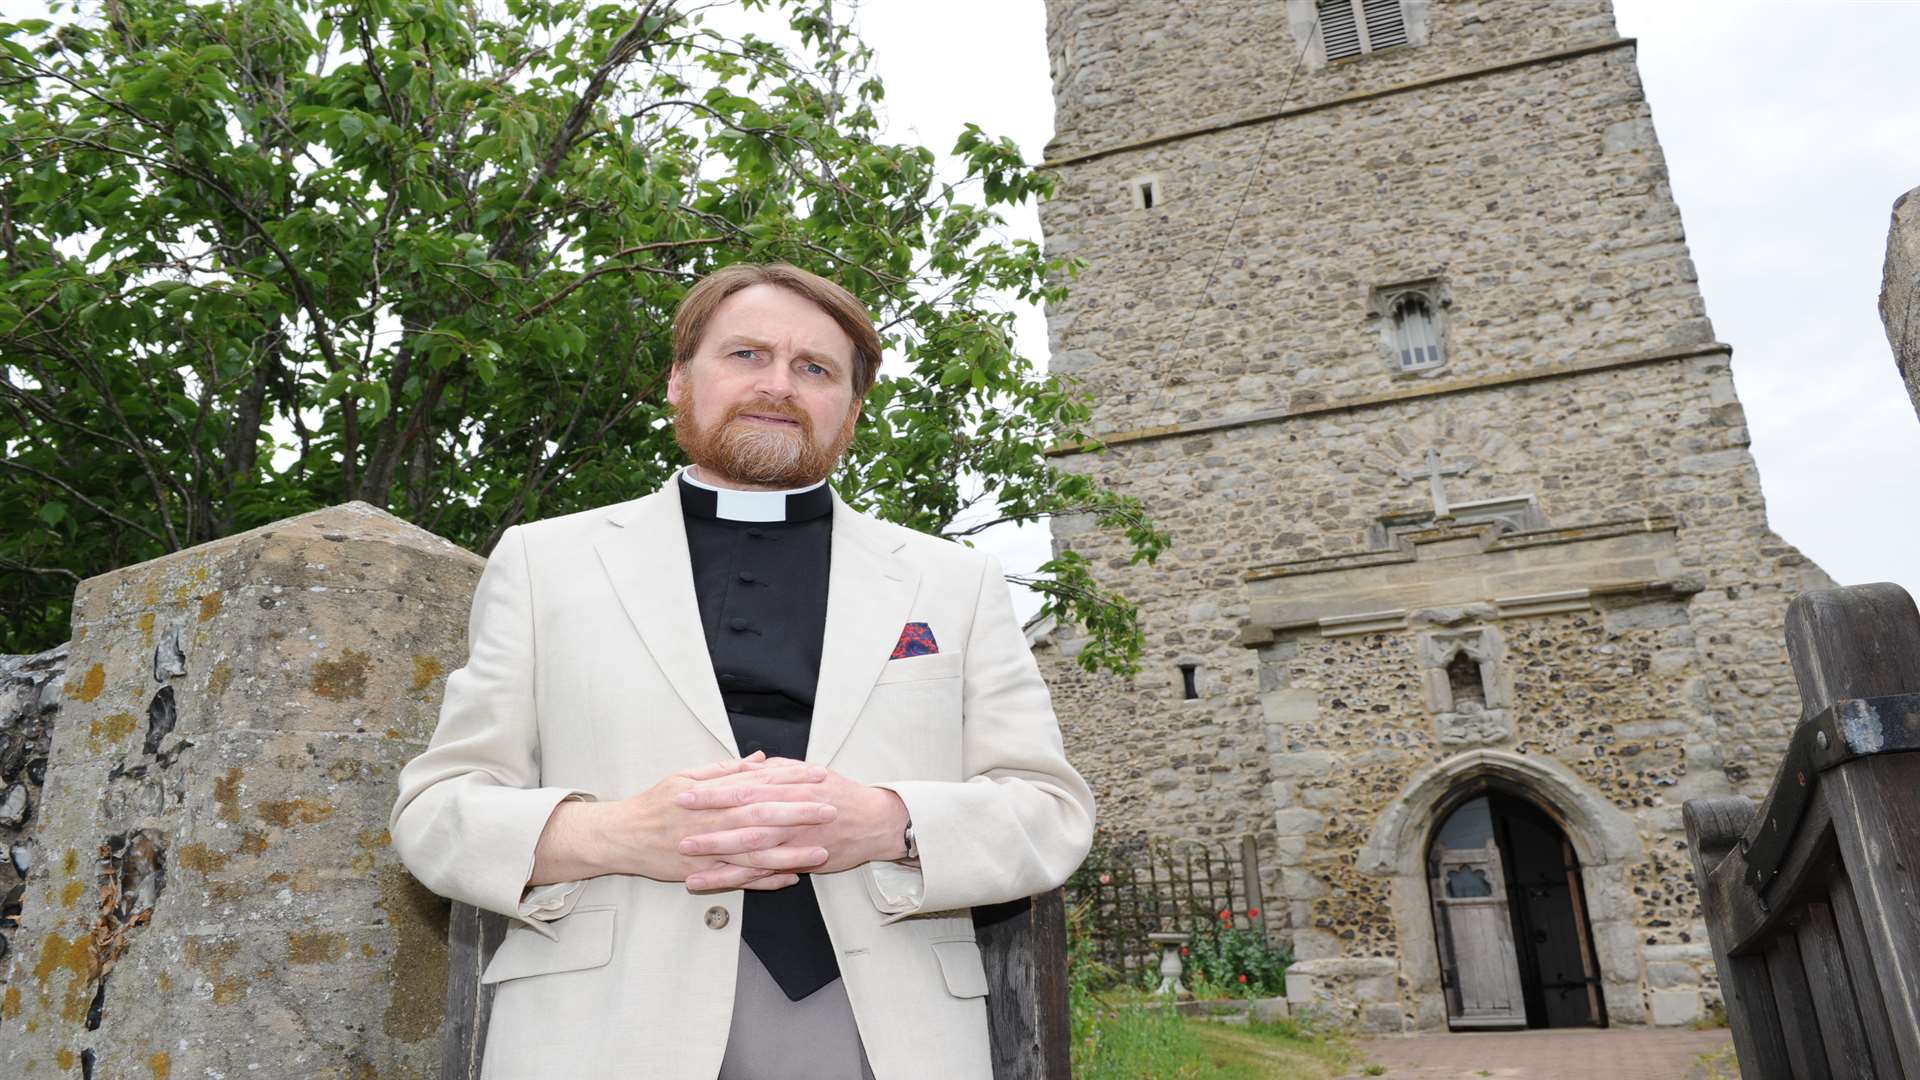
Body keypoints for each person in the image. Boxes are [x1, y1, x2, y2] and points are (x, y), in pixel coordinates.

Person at [389, 263, 1095, 1079]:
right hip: (601, 1025)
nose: (778, 386)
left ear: (852, 411)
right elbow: (437, 815)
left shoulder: (955, 583)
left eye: (814, 369)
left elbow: (1050, 812)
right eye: (747, 355)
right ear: (679, 383)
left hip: (880, 1027)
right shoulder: (543, 563)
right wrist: (620, 833)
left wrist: (886, 822)